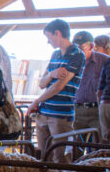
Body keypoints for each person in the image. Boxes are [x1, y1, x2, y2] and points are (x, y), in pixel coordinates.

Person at [26, 19, 84, 163]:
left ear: (58, 33)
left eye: (49, 37)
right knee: (45, 156)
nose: (48, 41)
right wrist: (52, 74)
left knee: (61, 156)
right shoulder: (55, 55)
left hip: (61, 114)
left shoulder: (77, 55)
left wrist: (37, 101)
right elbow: (41, 83)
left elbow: (59, 85)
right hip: (44, 112)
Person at [70, 30, 109, 139]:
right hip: (76, 110)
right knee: (73, 146)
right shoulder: (71, 62)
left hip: (97, 111)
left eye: (80, 48)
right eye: (74, 47)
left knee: (99, 144)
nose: (77, 51)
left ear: (91, 46)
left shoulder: (105, 61)